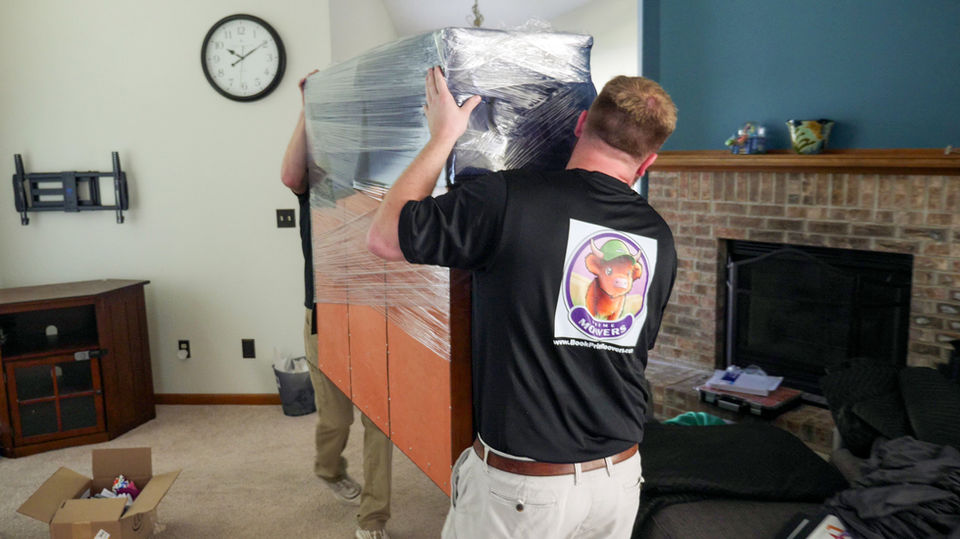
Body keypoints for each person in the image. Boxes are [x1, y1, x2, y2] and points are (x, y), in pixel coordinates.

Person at [366, 68, 678, 538]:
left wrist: (445, 135)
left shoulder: (508, 197)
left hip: (528, 489)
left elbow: (385, 237)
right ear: (647, 161)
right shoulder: (658, 238)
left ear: (578, 125)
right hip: (619, 480)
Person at [282, 71, 393, 539]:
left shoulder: (386, 188)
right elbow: (290, 174)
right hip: (324, 315)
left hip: (378, 318)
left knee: (381, 422)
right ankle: (328, 470)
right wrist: (308, 106)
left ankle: (373, 517)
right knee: (335, 417)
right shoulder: (319, 186)